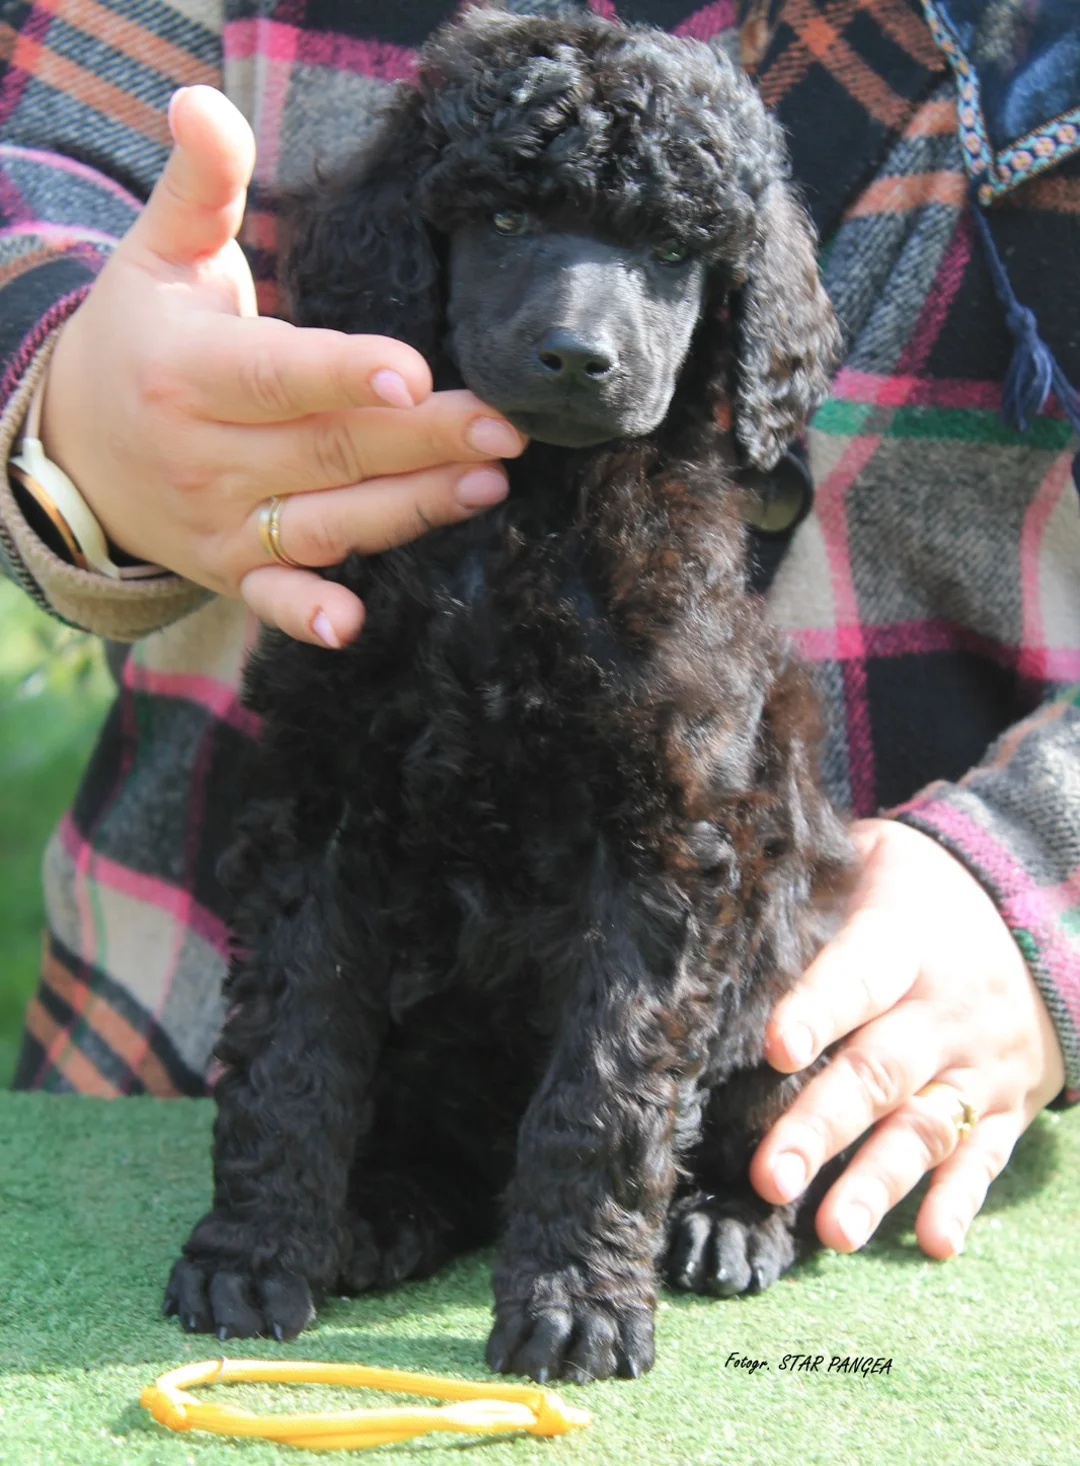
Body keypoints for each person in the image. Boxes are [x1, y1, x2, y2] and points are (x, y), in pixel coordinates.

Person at [2, 0, 1077, 1272]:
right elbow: (40, 166)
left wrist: (1041, 866)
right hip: (165, 1064)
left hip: (833, 1070)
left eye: (664, 253)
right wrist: (62, 383)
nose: (582, 327)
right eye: (509, 225)